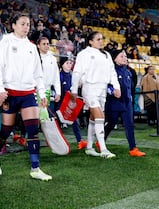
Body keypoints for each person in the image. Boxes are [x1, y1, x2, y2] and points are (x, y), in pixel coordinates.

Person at [0, 13, 52, 181]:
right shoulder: (5, 42)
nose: (26, 27)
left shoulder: (32, 47)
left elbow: (38, 73)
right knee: (6, 130)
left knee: (33, 130)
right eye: (23, 24)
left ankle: (35, 168)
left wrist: (41, 92)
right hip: (10, 93)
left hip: (28, 94)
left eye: (28, 24)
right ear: (14, 25)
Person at [70, 31, 121, 159]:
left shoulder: (106, 55)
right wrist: (74, 90)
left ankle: (89, 147)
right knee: (100, 116)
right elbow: (77, 72)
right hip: (90, 88)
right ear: (90, 41)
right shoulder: (84, 54)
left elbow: (112, 72)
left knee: (94, 118)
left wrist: (116, 86)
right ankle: (103, 149)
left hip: (102, 89)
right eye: (98, 39)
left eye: (101, 39)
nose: (101, 41)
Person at [104, 50, 146, 157]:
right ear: (115, 59)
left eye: (125, 56)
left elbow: (130, 88)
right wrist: (112, 91)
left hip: (126, 103)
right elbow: (106, 85)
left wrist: (130, 98)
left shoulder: (128, 72)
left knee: (129, 125)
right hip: (114, 102)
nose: (125, 58)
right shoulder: (111, 71)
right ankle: (101, 141)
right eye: (121, 56)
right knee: (111, 124)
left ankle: (133, 149)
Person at [57, 55, 87, 150]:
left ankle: (80, 141)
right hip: (59, 104)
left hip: (68, 104)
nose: (69, 65)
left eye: (70, 63)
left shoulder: (72, 75)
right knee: (56, 123)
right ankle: (56, 141)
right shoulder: (59, 76)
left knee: (74, 121)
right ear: (62, 65)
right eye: (67, 63)